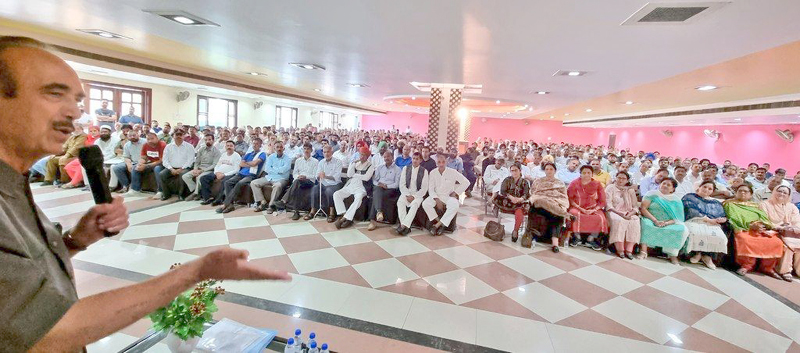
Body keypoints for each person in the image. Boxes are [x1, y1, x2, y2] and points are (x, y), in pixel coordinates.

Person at [0, 36, 290, 352]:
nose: (75, 113)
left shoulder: (14, 185)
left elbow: (21, 280)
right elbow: (48, 332)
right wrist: (196, 272)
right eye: (54, 93)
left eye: (78, 100)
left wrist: (72, 241)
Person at [724, 184, 786, 279]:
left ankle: (768, 268)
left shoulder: (755, 205)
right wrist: (750, 225)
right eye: (740, 191)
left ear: (751, 195)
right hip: (744, 228)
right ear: (736, 193)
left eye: (746, 191)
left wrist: (761, 224)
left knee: (776, 242)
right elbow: (733, 218)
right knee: (745, 240)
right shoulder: (729, 204)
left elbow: (764, 218)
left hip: (759, 229)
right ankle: (746, 266)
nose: (743, 193)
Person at [639, 178, 688, 264]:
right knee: (646, 225)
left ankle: (673, 255)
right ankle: (643, 251)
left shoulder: (676, 200)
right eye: (663, 183)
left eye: (668, 185)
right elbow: (643, 209)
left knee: (681, 229)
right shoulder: (652, 194)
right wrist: (655, 220)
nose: (665, 186)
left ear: (673, 189)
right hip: (651, 218)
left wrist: (666, 223)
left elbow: (678, 218)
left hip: (669, 222)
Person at [681, 181, 729, 269]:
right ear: (699, 187)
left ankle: (707, 256)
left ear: (713, 192)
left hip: (713, 223)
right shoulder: (690, 197)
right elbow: (690, 210)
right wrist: (708, 219)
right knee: (697, 232)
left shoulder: (715, 202)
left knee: (719, 236)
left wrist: (722, 219)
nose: (706, 189)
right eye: (705, 187)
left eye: (710, 189)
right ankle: (697, 253)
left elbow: (722, 214)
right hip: (694, 220)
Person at [215, 138, 266, 213]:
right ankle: (231, 205)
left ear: (260, 145)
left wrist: (248, 163)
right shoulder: (249, 154)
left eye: (257, 144)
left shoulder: (262, 154)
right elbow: (241, 164)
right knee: (227, 182)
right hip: (241, 173)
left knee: (240, 183)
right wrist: (250, 163)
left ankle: (225, 204)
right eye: (253, 143)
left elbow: (255, 163)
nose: (254, 145)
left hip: (251, 175)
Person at [422, 153, 469, 235]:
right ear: (436, 163)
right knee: (425, 203)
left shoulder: (452, 172)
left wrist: (456, 192)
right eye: (439, 162)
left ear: (446, 162)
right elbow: (431, 189)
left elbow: (466, 182)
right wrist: (436, 199)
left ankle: (436, 226)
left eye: (443, 162)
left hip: (448, 196)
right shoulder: (433, 172)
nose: (441, 164)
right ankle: (440, 223)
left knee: (455, 205)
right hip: (436, 196)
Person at [528, 162, 570, 252]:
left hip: (555, 203)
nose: (549, 171)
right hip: (540, 206)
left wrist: (554, 199)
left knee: (557, 214)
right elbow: (533, 193)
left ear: (555, 171)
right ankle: (565, 214)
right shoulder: (538, 181)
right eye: (547, 169)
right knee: (540, 201)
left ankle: (555, 244)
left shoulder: (560, 183)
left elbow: (563, 196)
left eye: (551, 169)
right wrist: (544, 197)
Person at [760, 185, 800, 281]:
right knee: (788, 246)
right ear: (774, 191)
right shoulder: (765, 204)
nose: (782, 194)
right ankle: (785, 271)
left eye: (785, 193)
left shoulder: (792, 207)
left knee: (797, 245)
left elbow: (797, 221)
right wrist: (779, 227)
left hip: (790, 232)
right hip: (773, 230)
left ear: (789, 195)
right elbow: (765, 220)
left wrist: (793, 227)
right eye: (780, 191)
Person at [332, 147, 375, 229]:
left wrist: (354, 175)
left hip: (362, 188)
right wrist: (352, 164)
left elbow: (366, 177)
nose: (361, 157)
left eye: (363, 155)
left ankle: (344, 219)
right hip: (351, 185)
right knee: (336, 194)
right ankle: (345, 215)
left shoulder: (370, 165)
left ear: (367, 156)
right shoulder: (356, 163)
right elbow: (349, 174)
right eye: (360, 155)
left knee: (358, 199)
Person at [567, 165, 608, 250]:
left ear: (592, 174)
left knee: (600, 217)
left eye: (589, 173)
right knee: (574, 214)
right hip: (577, 206)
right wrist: (581, 208)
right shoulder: (574, 183)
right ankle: (577, 237)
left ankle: (591, 239)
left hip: (593, 207)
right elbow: (570, 199)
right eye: (584, 173)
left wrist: (594, 209)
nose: (586, 175)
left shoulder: (597, 184)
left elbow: (602, 201)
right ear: (580, 174)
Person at [605, 172, 641, 259]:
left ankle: (629, 250)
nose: (621, 180)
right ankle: (620, 249)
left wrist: (630, 213)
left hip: (628, 212)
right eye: (619, 178)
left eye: (623, 178)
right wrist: (620, 214)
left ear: (627, 180)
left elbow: (635, 206)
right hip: (613, 211)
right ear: (615, 178)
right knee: (619, 220)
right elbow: (608, 204)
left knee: (635, 221)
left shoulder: (630, 190)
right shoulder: (610, 188)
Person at [250, 141, 291, 213]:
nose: (279, 149)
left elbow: (283, 170)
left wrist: (273, 169)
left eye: (281, 147)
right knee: (253, 183)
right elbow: (267, 169)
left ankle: (271, 206)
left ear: (284, 148)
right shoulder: (271, 157)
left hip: (282, 178)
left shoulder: (288, 158)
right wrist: (277, 170)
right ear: (274, 148)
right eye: (277, 147)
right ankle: (263, 202)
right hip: (270, 177)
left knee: (277, 185)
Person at [279, 143, 318, 220]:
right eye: (305, 149)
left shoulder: (315, 161)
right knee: (297, 184)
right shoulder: (298, 160)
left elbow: (315, 176)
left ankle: (284, 200)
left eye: (308, 149)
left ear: (311, 150)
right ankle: (296, 212)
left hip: (310, 182)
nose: (306, 150)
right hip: (299, 181)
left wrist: (305, 176)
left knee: (297, 182)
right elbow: (295, 173)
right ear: (303, 150)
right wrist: (298, 177)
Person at [42, 120, 87, 185]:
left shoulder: (83, 136)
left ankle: (64, 181)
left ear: (81, 129)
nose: (75, 130)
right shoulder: (72, 137)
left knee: (62, 160)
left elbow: (76, 148)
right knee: (52, 159)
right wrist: (55, 154)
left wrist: (66, 155)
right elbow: (64, 147)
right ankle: (49, 180)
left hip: (76, 157)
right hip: (68, 155)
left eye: (77, 128)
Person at [493, 163, 531, 241]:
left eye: (516, 170)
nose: (514, 172)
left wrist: (520, 199)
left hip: (519, 202)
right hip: (507, 203)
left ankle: (515, 231)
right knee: (503, 200)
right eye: (512, 171)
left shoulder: (525, 182)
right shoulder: (507, 180)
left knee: (520, 210)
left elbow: (526, 194)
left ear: (520, 171)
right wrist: (511, 197)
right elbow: (503, 191)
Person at [305, 145, 343, 221]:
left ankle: (332, 212)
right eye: (324, 152)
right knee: (315, 189)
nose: (326, 154)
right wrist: (319, 176)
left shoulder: (338, 162)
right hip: (323, 183)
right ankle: (313, 211)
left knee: (329, 191)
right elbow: (317, 175)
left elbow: (337, 177)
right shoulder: (321, 162)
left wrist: (325, 176)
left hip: (335, 183)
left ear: (331, 152)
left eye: (328, 152)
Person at [157, 129, 195, 200]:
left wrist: (181, 169)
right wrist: (171, 169)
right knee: (161, 174)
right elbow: (165, 160)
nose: (178, 136)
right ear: (173, 136)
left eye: (180, 134)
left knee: (182, 174)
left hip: (185, 168)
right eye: (176, 134)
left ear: (184, 136)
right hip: (171, 168)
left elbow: (190, 160)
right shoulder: (168, 147)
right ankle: (166, 194)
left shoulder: (189, 146)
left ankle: (181, 194)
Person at [396, 152, 429, 236]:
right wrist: (407, 194)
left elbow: (424, 188)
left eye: (417, 159)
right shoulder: (406, 168)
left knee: (414, 205)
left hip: (418, 194)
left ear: (420, 160)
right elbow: (402, 184)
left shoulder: (424, 171)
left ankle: (403, 225)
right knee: (400, 202)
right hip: (406, 192)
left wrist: (414, 196)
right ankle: (406, 226)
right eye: (413, 158)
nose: (414, 160)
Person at [369, 150, 402, 231]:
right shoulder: (380, 167)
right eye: (384, 157)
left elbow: (397, 184)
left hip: (390, 190)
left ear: (392, 157)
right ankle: (378, 212)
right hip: (379, 188)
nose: (386, 158)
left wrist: (386, 186)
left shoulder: (397, 169)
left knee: (376, 195)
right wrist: (379, 184)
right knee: (377, 190)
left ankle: (373, 221)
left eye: (388, 156)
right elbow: (375, 180)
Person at [182, 134, 221, 201]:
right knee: (185, 176)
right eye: (206, 140)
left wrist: (202, 171)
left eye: (209, 139)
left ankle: (195, 193)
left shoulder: (216, 151)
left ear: (213, 141)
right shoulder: (201, 149)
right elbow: (197, 161)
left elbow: (214, 165)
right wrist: (195, 169)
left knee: (199, 177)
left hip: (209, 170)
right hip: (199, 168)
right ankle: (197, 192)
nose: (207, 141)